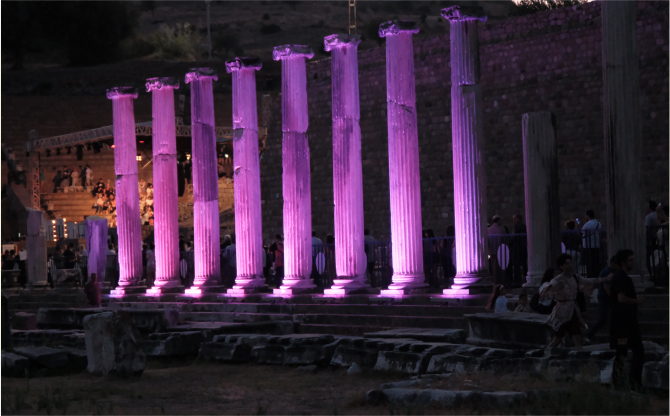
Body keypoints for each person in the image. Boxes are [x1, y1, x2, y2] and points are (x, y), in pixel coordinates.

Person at [540, 254, 611, 350]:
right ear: (561, 266)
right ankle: (546, 353)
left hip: (573, 309)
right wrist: (555, 293)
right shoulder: (558, 280)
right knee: (557, 339)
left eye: (570, 263)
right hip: (562, 311)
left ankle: (580, 355)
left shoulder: (575, 277)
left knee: (577, 337)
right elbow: (545, 292)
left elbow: (590, 281)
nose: (570, 265)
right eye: (566, 264)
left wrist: (605, 279)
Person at [609, 249, 645, 390]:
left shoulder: (623, 277)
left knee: (630, 352)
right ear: (623, 262)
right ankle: (627, 383)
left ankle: (629, 382)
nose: (634, 262)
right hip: (622, 325)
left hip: (628, 323)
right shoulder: (620, 278)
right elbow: (621, 298)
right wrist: (636, 301)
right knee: (624, 352)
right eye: (631, 260)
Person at [585, 256, 618, 343]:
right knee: (603, 319)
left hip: (606, 298)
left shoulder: (610, 271)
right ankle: (588, 335)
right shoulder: (608, 272)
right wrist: (614, 298)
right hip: (605, 299)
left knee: (608, 319)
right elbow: (606, 286)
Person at [581, 209, 602, 277]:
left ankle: (590, 276)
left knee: (589, 263)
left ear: (587, 215)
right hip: (596, 245)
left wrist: (578, 222)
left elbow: (582, 232)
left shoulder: (587, 224)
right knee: (596, 262)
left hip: (588, 246)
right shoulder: (599, 223)